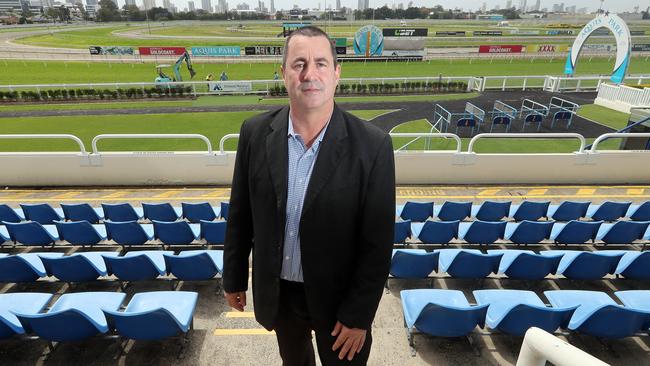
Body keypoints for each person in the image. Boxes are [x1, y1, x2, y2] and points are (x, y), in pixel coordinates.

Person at [223, 26, 395, 366]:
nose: (309, 74)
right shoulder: (255, 133)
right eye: (299, 63)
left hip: (340, 301)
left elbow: (377, 244)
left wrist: (360, 315)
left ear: (336, 73)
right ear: (284, 73)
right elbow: (241, 213)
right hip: (281, 296)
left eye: (320, 63)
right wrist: (234, 277)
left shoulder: (373, 146)